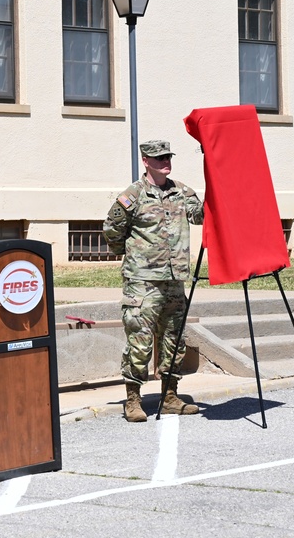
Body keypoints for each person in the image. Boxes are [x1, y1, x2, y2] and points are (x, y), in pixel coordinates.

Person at [103, 139, 204, 422]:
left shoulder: (182, 192)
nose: (165, 162)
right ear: (146, 161)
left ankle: (170, 396)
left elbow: (201, 216)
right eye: (158, 158)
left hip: (174, 281)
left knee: (174, 340)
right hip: (142, 282)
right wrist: (132, 255)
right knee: (140, 342)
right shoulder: (133, 195)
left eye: (167, 157)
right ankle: (133, 400)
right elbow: (112, 229)